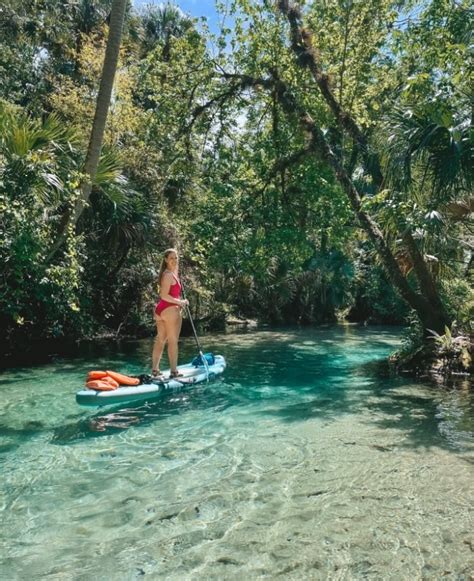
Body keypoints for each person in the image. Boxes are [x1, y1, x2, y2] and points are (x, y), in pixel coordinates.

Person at [152, 248, 189, 378]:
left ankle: (155, 370)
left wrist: (176, 265)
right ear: (166, 260)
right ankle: (174, 372)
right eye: (171, 258)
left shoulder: (169, 273)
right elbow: (163, 295)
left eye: (176, 258)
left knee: (161, 339)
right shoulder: (168, 275)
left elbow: (175, 268)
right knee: (173, 341)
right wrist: (180, 302)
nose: (174, 260)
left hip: (161, 311)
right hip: (170, 310)